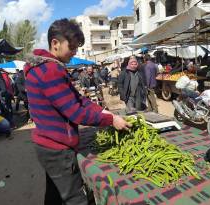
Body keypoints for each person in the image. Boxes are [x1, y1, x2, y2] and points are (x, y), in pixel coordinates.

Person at [24, 18, 130, 205]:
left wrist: (105, 112)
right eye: (71, 47)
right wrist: (110, 121)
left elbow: (78, 99)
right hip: (57, 148)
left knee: (55, 194)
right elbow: (76, 113)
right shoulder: (50, 70)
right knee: (74, 198)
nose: (74, 53)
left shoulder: (41, 67)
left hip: (45, 144)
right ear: (55, 43)